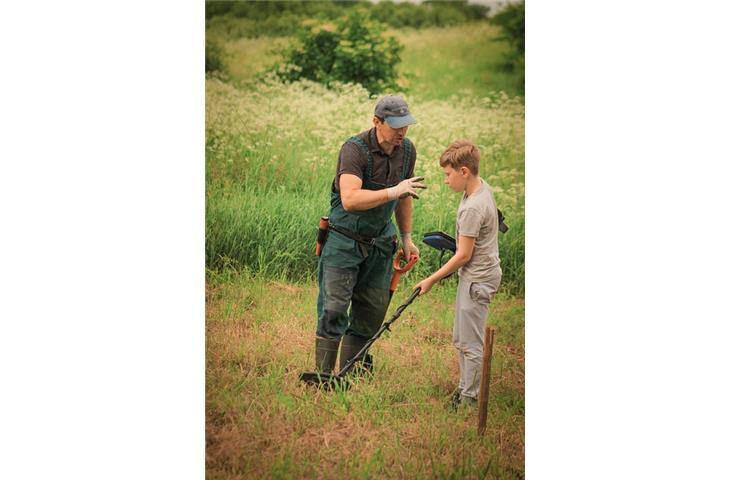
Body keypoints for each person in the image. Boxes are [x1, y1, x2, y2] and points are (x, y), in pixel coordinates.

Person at [313, 95, 426, 376]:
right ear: (377, 122)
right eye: (396, 126)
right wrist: (392, 191)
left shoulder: (407, 150)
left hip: (380, 243)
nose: (402, 132)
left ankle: (348, 376)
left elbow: (405, 194)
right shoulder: (355, 149)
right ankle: (325, 377)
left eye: (406, 125)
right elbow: (350, 199)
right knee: (334, 309)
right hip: (344, 240)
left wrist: (407, 237)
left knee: (371, 312)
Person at [414, 139, 502, 409]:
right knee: (461, 337)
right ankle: (465, 389)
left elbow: (463, 255)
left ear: (464, 172)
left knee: (470, 342)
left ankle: (469, 399)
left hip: (478, 278)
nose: (445, 180)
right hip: (476, 274)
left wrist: (430, 280)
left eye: (447, 174)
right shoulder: (478, 188)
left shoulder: (474, 207)